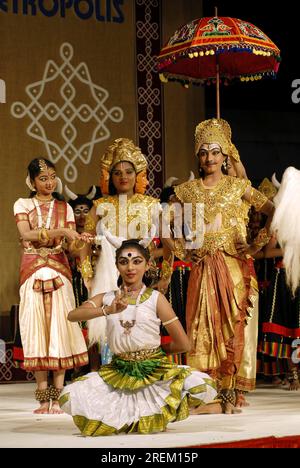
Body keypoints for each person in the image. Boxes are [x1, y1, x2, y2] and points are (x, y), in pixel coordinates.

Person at [59, 239, 218, 436]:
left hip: (153, 372)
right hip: (118, 372)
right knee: (70, 397)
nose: (130, 267)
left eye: (137, 261)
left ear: (148, 265)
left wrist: (153, 352)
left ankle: (151, 412)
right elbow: (72, 315)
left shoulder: (156, 299)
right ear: (116, 265)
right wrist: (107, 310)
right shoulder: (106, 298)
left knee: (200, 386)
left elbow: (183, 343)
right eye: (124, 262)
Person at [172, 118, 274, 413]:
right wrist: (182, 249)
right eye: (203, 152)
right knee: (202, 327)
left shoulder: (239, 187)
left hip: (233, 266)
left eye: (215, 152)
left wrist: (255, 245)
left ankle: (230, 391)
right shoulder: (186, 191)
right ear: (197, 156)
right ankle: (206, 391)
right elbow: (164, 223)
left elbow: (272, 210)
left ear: (225, 155)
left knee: (231, 326)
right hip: (203, 268)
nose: (209, 158)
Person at [13, 158, 91, 414]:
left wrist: (80, 240)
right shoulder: (23, 204)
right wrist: (61, 232)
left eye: (53, 177)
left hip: (59, 271)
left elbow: (70, 247)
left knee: (61, 329)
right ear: (32, 181)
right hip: (33, 271)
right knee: (36, 329)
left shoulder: (64, 207)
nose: (49, 182)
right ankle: (42, 397)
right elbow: (25, 234)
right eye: (43, 178)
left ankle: (57, 397)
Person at [79, 138, 173, 348]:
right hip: (108, 273)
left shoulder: (152, 206)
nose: (123, 177)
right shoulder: (100, 206)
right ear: (109, 177)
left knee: (141, 324)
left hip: (143, 274)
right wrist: (87, 274)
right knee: (109, 326)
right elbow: (84, 241)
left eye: (129, 171)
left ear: (138, 174)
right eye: (117, 172)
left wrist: (166, 276)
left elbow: (169, 243)